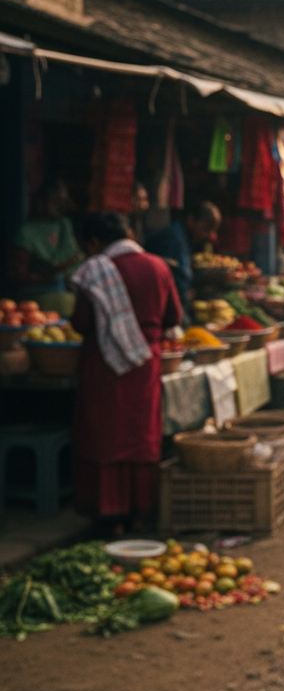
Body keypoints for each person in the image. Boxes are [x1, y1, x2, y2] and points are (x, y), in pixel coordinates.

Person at [69, 212, 180, 532]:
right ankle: (139, 512)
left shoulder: (94, 270)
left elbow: (81, 323)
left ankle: (108, 516)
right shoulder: (159, 266)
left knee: (103, 434)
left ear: (93, 242)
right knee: (139, 434)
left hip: (104, 365)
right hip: (145, 364)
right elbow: (173, 317)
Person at [9, 181, 83, 315]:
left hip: (68, 294)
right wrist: (47, 276)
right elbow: (17, 275)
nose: (61, 205)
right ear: (42, 201)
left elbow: (75, 259)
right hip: (38, 299)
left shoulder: (64, 225)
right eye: (56, 200)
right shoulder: (27, 231)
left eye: (63, 200)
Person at [144, 200, 220, 309]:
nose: (209, 235)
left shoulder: (186, 238)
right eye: (205, 229)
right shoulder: (173, 238)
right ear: (191, 220)